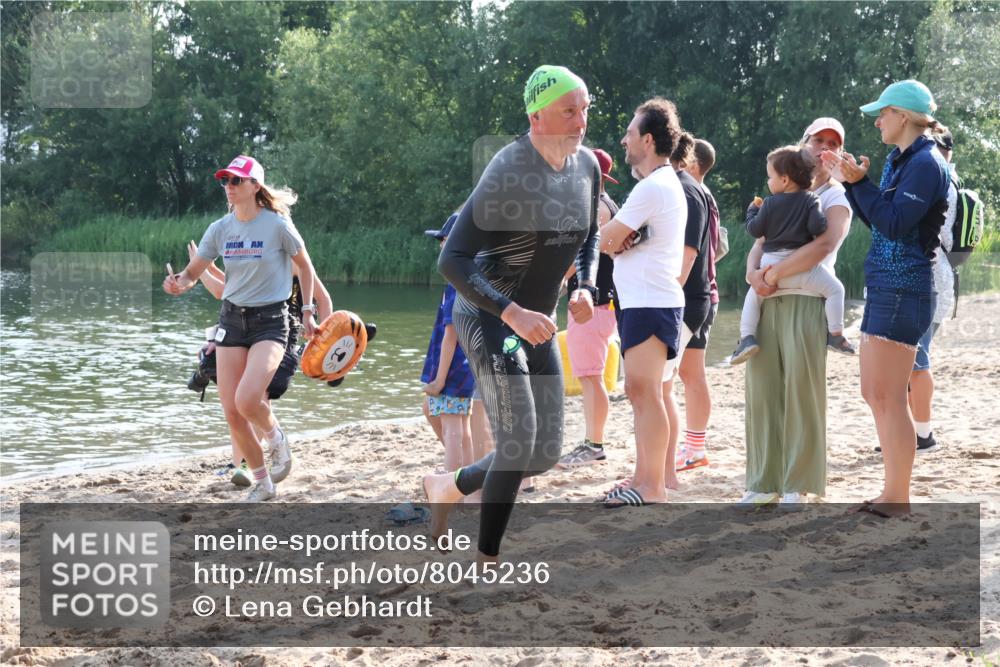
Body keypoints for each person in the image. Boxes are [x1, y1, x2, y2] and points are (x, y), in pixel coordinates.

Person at [421, 65, 600, 562]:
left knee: (544, 455)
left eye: (585, 108)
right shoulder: (509, 170)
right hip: (488, 317)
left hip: (537, 321)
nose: (581, 120)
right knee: (519, 443)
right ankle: (487, 559)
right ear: (537, 116)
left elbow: (589, 238)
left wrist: (585, 285)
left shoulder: (587, 167)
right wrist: (511, 312)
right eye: (569, 110)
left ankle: (447, 486)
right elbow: (451, 260)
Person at [824, 80, 950, 514]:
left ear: (902, 115)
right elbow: (880, 221)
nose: (877, 120)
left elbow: (895, 224)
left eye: (882, 112)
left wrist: (859, 184)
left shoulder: (927, 163)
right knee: (875, 393)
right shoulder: (904, 159)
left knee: (889, 395)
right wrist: (856, 183)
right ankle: (891, 491)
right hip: (887, 286)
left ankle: (897, 497)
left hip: (905, 288)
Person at [164, 155, 321, 502]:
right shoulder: (220, 229)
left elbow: (306, 268)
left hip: (271, 321)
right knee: (233, 413)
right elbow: (193, 272)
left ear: (255, 186)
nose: (229, 187)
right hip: (231, 321)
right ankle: (264, 483)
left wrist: (309, 312)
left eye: (236, 181)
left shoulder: (277, 225)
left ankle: (277, 438)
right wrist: (179, 283)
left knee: (248, 399)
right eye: (225, 181)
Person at [741, 117, 855, 505]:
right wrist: (753, 274)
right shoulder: (781, 188)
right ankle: (762, 482)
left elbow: (824, 246)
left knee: (801, 393)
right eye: (817, 140)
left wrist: (772, 272)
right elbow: (760, 238)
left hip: (807, 300)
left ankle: (798, 483)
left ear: (838, 154)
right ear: (802, 144)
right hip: (768, 297)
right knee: (762, 391)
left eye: (833, 143)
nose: (824, 148)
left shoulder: (836, 198)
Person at [599, 97, 689, 507]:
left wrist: (616, 242)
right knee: (642, 392)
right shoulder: (659, 184)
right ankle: (643, 477)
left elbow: (605, 240)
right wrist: (620, 242)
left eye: (630, 134)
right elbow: (617, 241)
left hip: (651, 302)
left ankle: (652, 487)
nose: (624, 141)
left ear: (648, 140)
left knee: (645, 391)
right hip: (646, 300)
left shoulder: (652, 186)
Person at [187, 239, 334, 486]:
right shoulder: (253, 257)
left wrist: (325, 344)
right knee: (236, 402)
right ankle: (240, 464)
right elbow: (233, 291)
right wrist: (204, 266)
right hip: (247, 333)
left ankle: (247, 463)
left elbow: (324, 300)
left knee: (257, 396)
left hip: (282, 334)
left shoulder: (290, 260)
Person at [731, 145, 855, 364]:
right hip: (802, 270)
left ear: (785, 180)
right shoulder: (811, 200)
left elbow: (754, 230)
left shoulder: (768, 204)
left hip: (770, 266)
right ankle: (835, 335)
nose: (768, 181)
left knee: (753, 297)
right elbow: (818, 227)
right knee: (836, 290)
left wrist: (752, 211)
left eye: (770, 177)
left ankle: (746, 338)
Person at [894, 127, 956, 455]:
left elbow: (933, 235)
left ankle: (924, 435)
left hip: (930, 276)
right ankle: (908, 431)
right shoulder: (939, 177)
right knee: (910, 357)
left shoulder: (942, 182)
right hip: (935, 276)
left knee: (918, 357)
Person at [558, 148, 620, 469]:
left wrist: (554, 282)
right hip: (597, 303)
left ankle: (594, 443)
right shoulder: (605, 206)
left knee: (591, 375)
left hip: (594, 303)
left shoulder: (597, 209)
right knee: (589, 374)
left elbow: (579, 254)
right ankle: (592, 440)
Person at [676, 139, 720, 471]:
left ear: (692, 163)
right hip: (708, 291)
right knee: (691, 371)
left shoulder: (697, 196)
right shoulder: (704, 196)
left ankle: (695, 446)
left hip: (701, 294)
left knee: (690, 374)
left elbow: (711, 249)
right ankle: (694, 445)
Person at [420, 214, 476, 473]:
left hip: (454, 369)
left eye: (444, 240)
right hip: (465, 367)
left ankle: (452, 481)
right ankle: (466, 478)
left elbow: (451, 334)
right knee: (461, 428)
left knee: (453, 428)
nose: (440, 246)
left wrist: (440, 379)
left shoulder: (457, 285)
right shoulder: (469, 280)